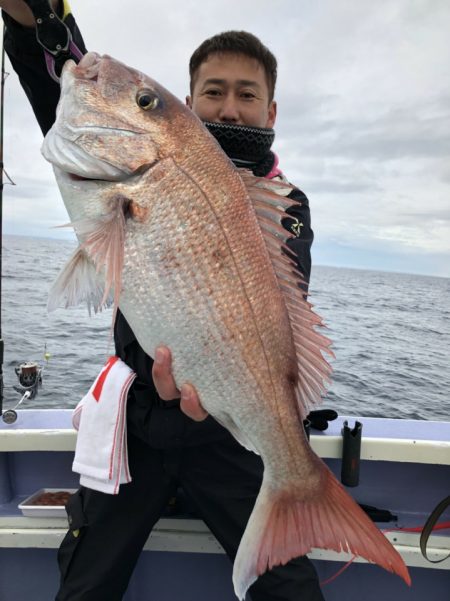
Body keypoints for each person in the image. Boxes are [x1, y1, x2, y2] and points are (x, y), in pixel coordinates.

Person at [1, 1, 325, 600]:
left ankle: (297, 488)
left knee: (290, 590)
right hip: (136, 418)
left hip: (228, 425)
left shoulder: (287, 204)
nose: (229, 107)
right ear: (189, 102)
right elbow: (68, 86)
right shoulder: (137, 156)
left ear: (271, 109)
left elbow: (279, 311)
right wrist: (34, 22)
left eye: (247, 94)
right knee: (85, 582)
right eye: (213, 92)